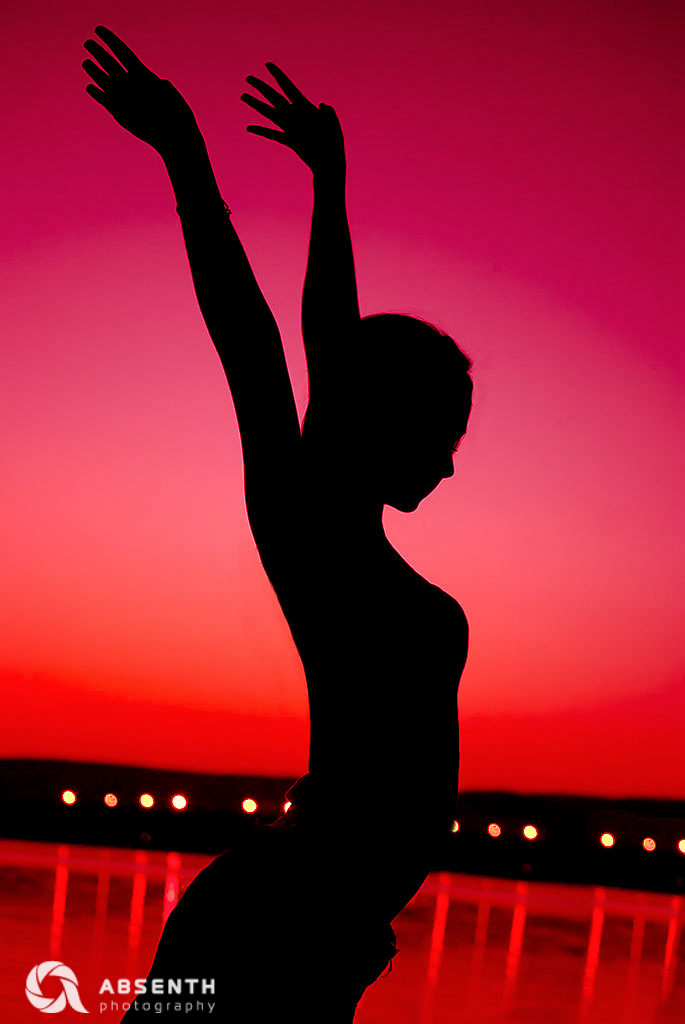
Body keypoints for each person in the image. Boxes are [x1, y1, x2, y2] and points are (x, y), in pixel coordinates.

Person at [82, 25, 473, 1022]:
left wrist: (327, 186)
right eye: (443, 435)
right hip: (273, 924)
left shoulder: (347, 545)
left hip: (321, 929)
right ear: (386, 425)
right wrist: (185, 157)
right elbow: (255, 343)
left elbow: (328, 349)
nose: (448, 462)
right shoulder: (315, 539)